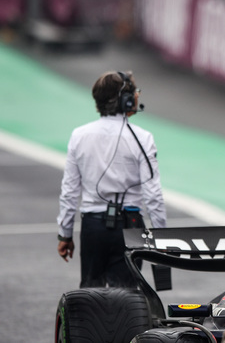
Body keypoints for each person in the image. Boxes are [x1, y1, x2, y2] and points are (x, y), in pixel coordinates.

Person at [57, 71, 166, 288]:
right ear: (126, 100)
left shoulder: (79, 135)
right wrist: (161, 238)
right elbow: (153, 194)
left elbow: (69, 191)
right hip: (131, 227)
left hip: (92, 226)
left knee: (90, 297)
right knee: (128, 301)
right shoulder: (143, 138)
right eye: (135, 93)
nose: (137, 97)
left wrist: (65, 234)